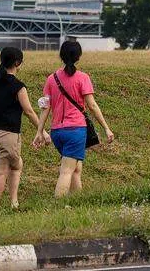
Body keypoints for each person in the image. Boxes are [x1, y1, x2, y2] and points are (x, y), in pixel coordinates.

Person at [33, 39, 114, 198]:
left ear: (61, 56)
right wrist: (106, 128)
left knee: (76, 168)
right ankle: (58, 208)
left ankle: (77, 202)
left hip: (57, 132)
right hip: (75, 131)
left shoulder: (51, 79)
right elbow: (92, 105)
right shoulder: (82, 78)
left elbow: (45, 108)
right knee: (66, 171)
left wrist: (40, 131)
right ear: (78, 57)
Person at [0, 47, 41, 216]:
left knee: (16, 165)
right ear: (17, 63)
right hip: (8, 136)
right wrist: (42, 130)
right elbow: (29, 111)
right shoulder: (18, 87)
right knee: (1, 173)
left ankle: (14, 202)